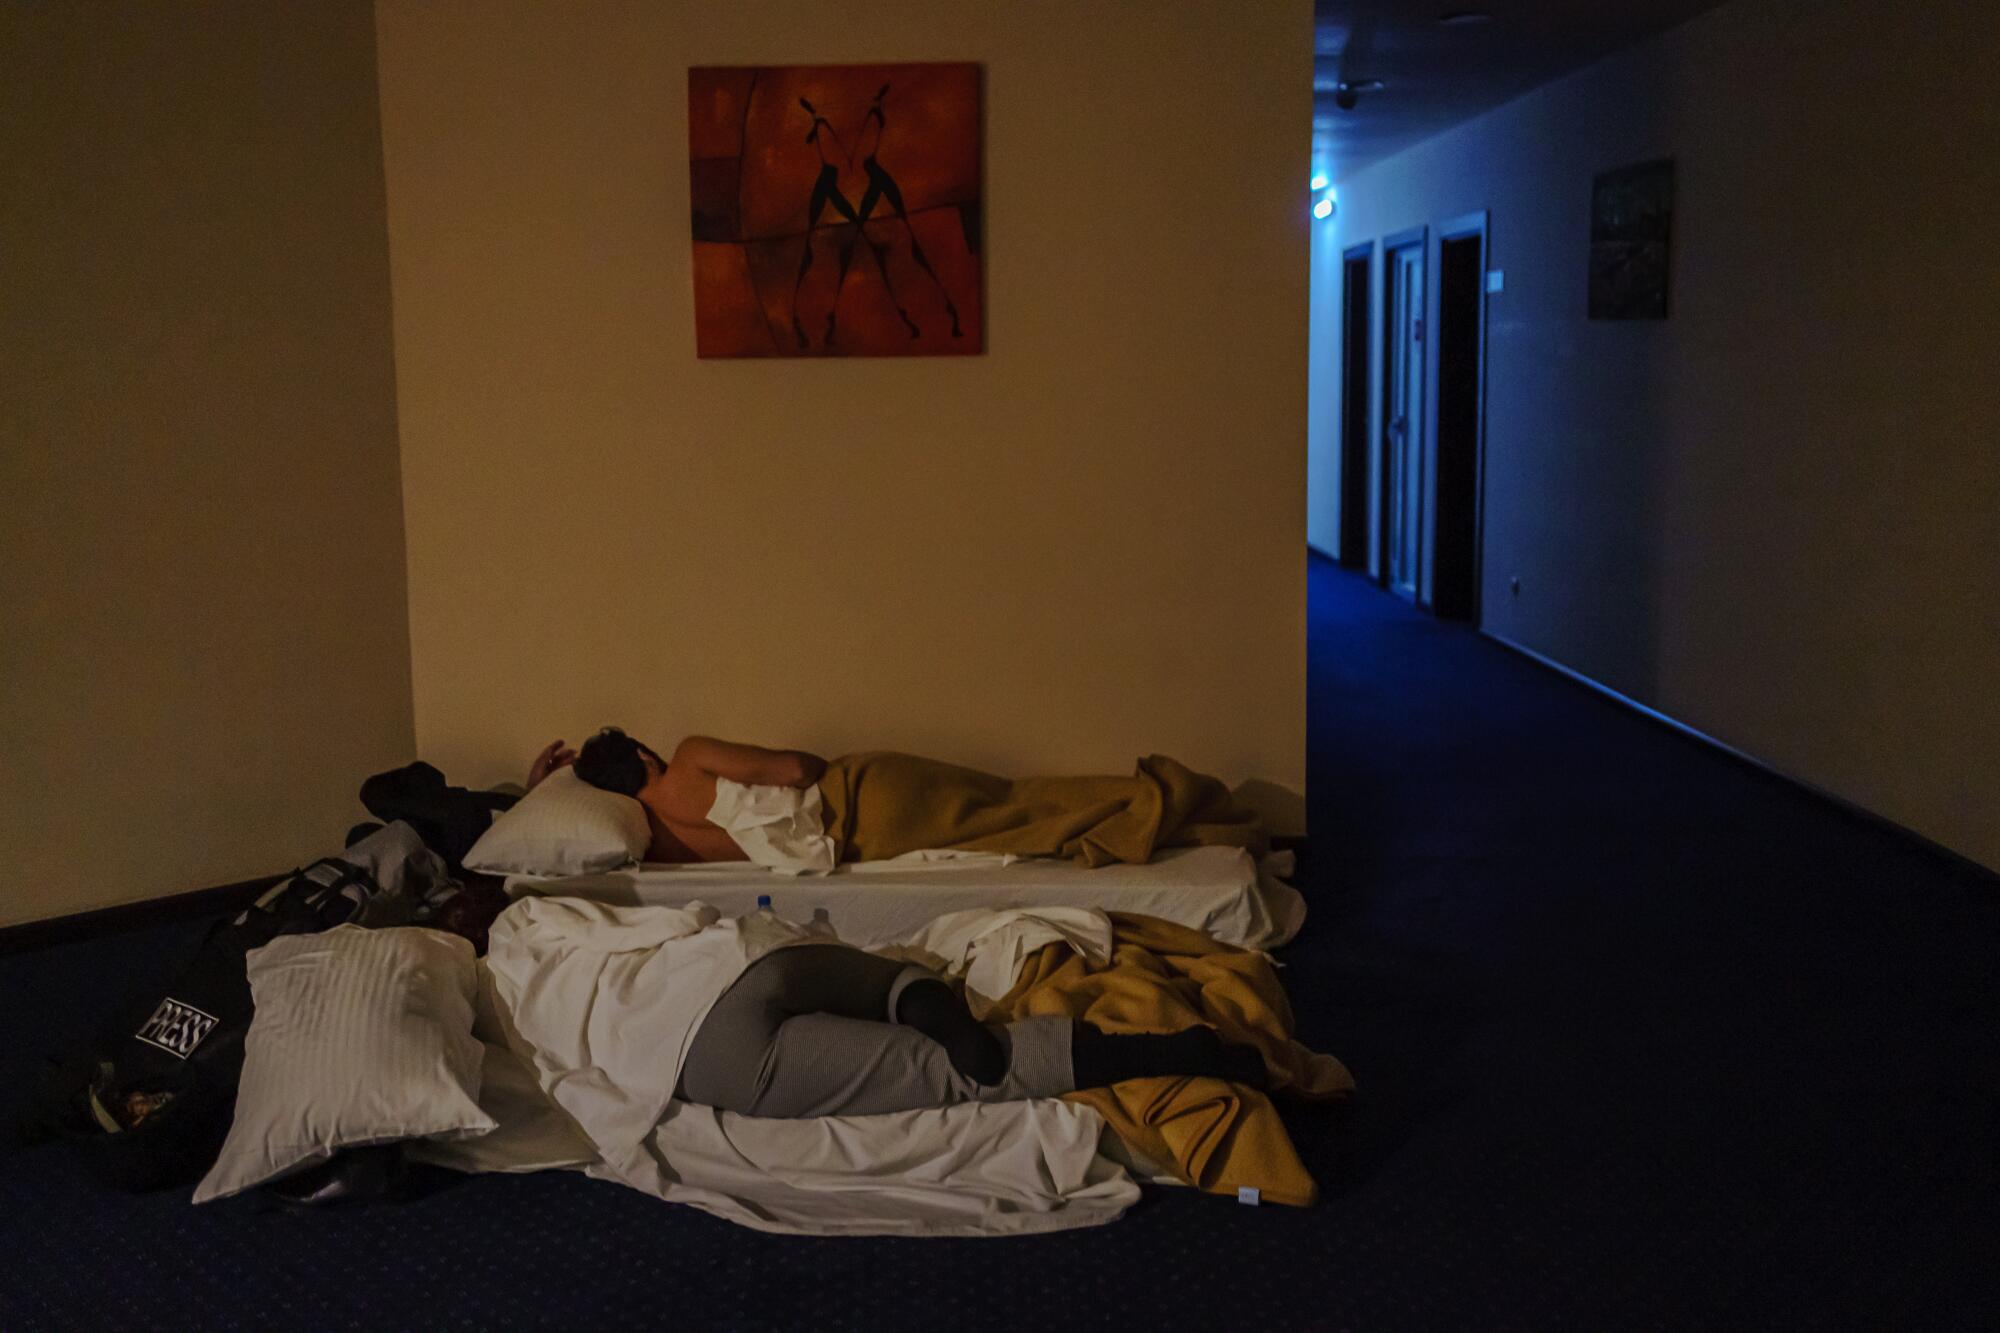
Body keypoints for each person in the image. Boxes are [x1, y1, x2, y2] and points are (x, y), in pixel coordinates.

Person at [525, 728, 820, 864]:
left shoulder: (652, 846)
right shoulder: (691, 759)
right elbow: (796, 770)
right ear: (644, 756)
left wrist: (534, 792)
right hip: (845, 799)